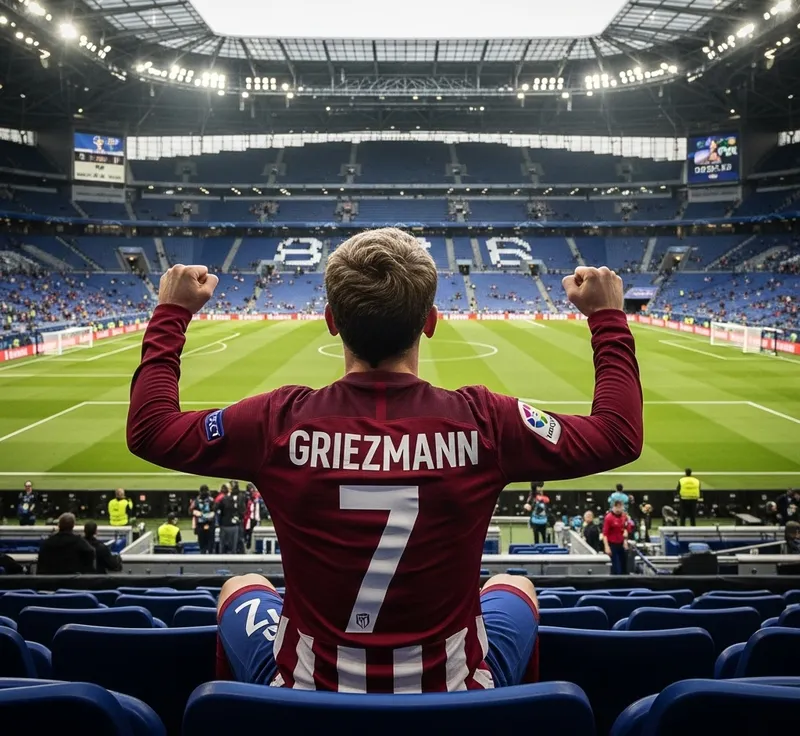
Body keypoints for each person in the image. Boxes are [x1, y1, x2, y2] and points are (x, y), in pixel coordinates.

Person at [127, 235, 642, 691]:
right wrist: (607, 318)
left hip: (308, 693)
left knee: (241, 587)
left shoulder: (276, 421)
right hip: (452, 693)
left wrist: (172, 312)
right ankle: (502, 711)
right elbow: (618, 435)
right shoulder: (486, 421)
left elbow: (151, 430)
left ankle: (255, 711)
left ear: (331, 322)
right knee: (516, 587)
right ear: (432, 322)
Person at [602, 499, 633, 575]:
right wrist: (607, 547)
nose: (618, 509)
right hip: (612, 544)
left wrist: (625, 539)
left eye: (620, 507)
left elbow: (626, 528)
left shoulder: (624, 516)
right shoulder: (608, 518)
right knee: (616, 567)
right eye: (616, 507)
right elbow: (605, 534)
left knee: (624, 567)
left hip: (622, 544)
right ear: (613, 507)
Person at [216, 483, 245, 554]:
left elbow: (217, 510)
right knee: (233, 547)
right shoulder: (238, 497)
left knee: (223, 547)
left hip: (225, 525)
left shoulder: (222, 498)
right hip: (233, 525)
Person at [191, 484, 216, 554]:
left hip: (200, 525)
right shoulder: (212, 500)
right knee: (210, 545)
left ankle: (203, 558)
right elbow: (214, 512)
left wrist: (201, 515)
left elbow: (191, 511)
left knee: (202, 546)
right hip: (209, 525)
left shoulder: (196, 500)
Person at [243, 482, 263, 551]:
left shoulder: (249, 496)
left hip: (250, 517)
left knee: (248, 532)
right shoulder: (257, 496)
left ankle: (249, 545)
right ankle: (250, 546)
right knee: (250, 532)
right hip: (253, 517)